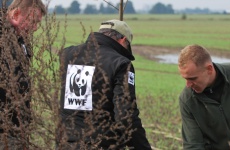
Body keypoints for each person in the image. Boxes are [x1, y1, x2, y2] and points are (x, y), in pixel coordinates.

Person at [57, 19, 152, 150]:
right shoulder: (121, 63)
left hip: (65, 143)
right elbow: (126, 116)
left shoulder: (67, 55)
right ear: (123, 40)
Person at [0, 0, 46, 149]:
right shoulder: (3, 39)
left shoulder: (20, 40)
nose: (35, 28)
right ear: (16, 14)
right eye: (33, 21)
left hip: (17, 126)